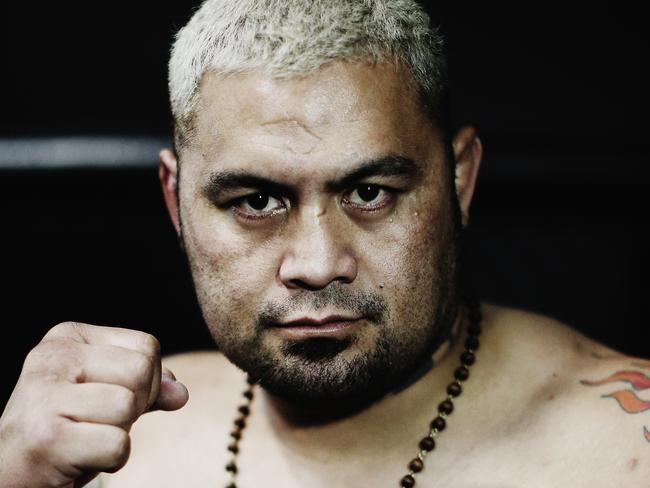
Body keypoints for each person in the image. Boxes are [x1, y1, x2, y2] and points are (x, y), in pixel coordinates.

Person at [1, 1, 648, 486]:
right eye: (255, 201)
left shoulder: (624, 448)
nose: (315, 264)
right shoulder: (108, 452)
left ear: (459, 181)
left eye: (370, 192)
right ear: (176, 201)